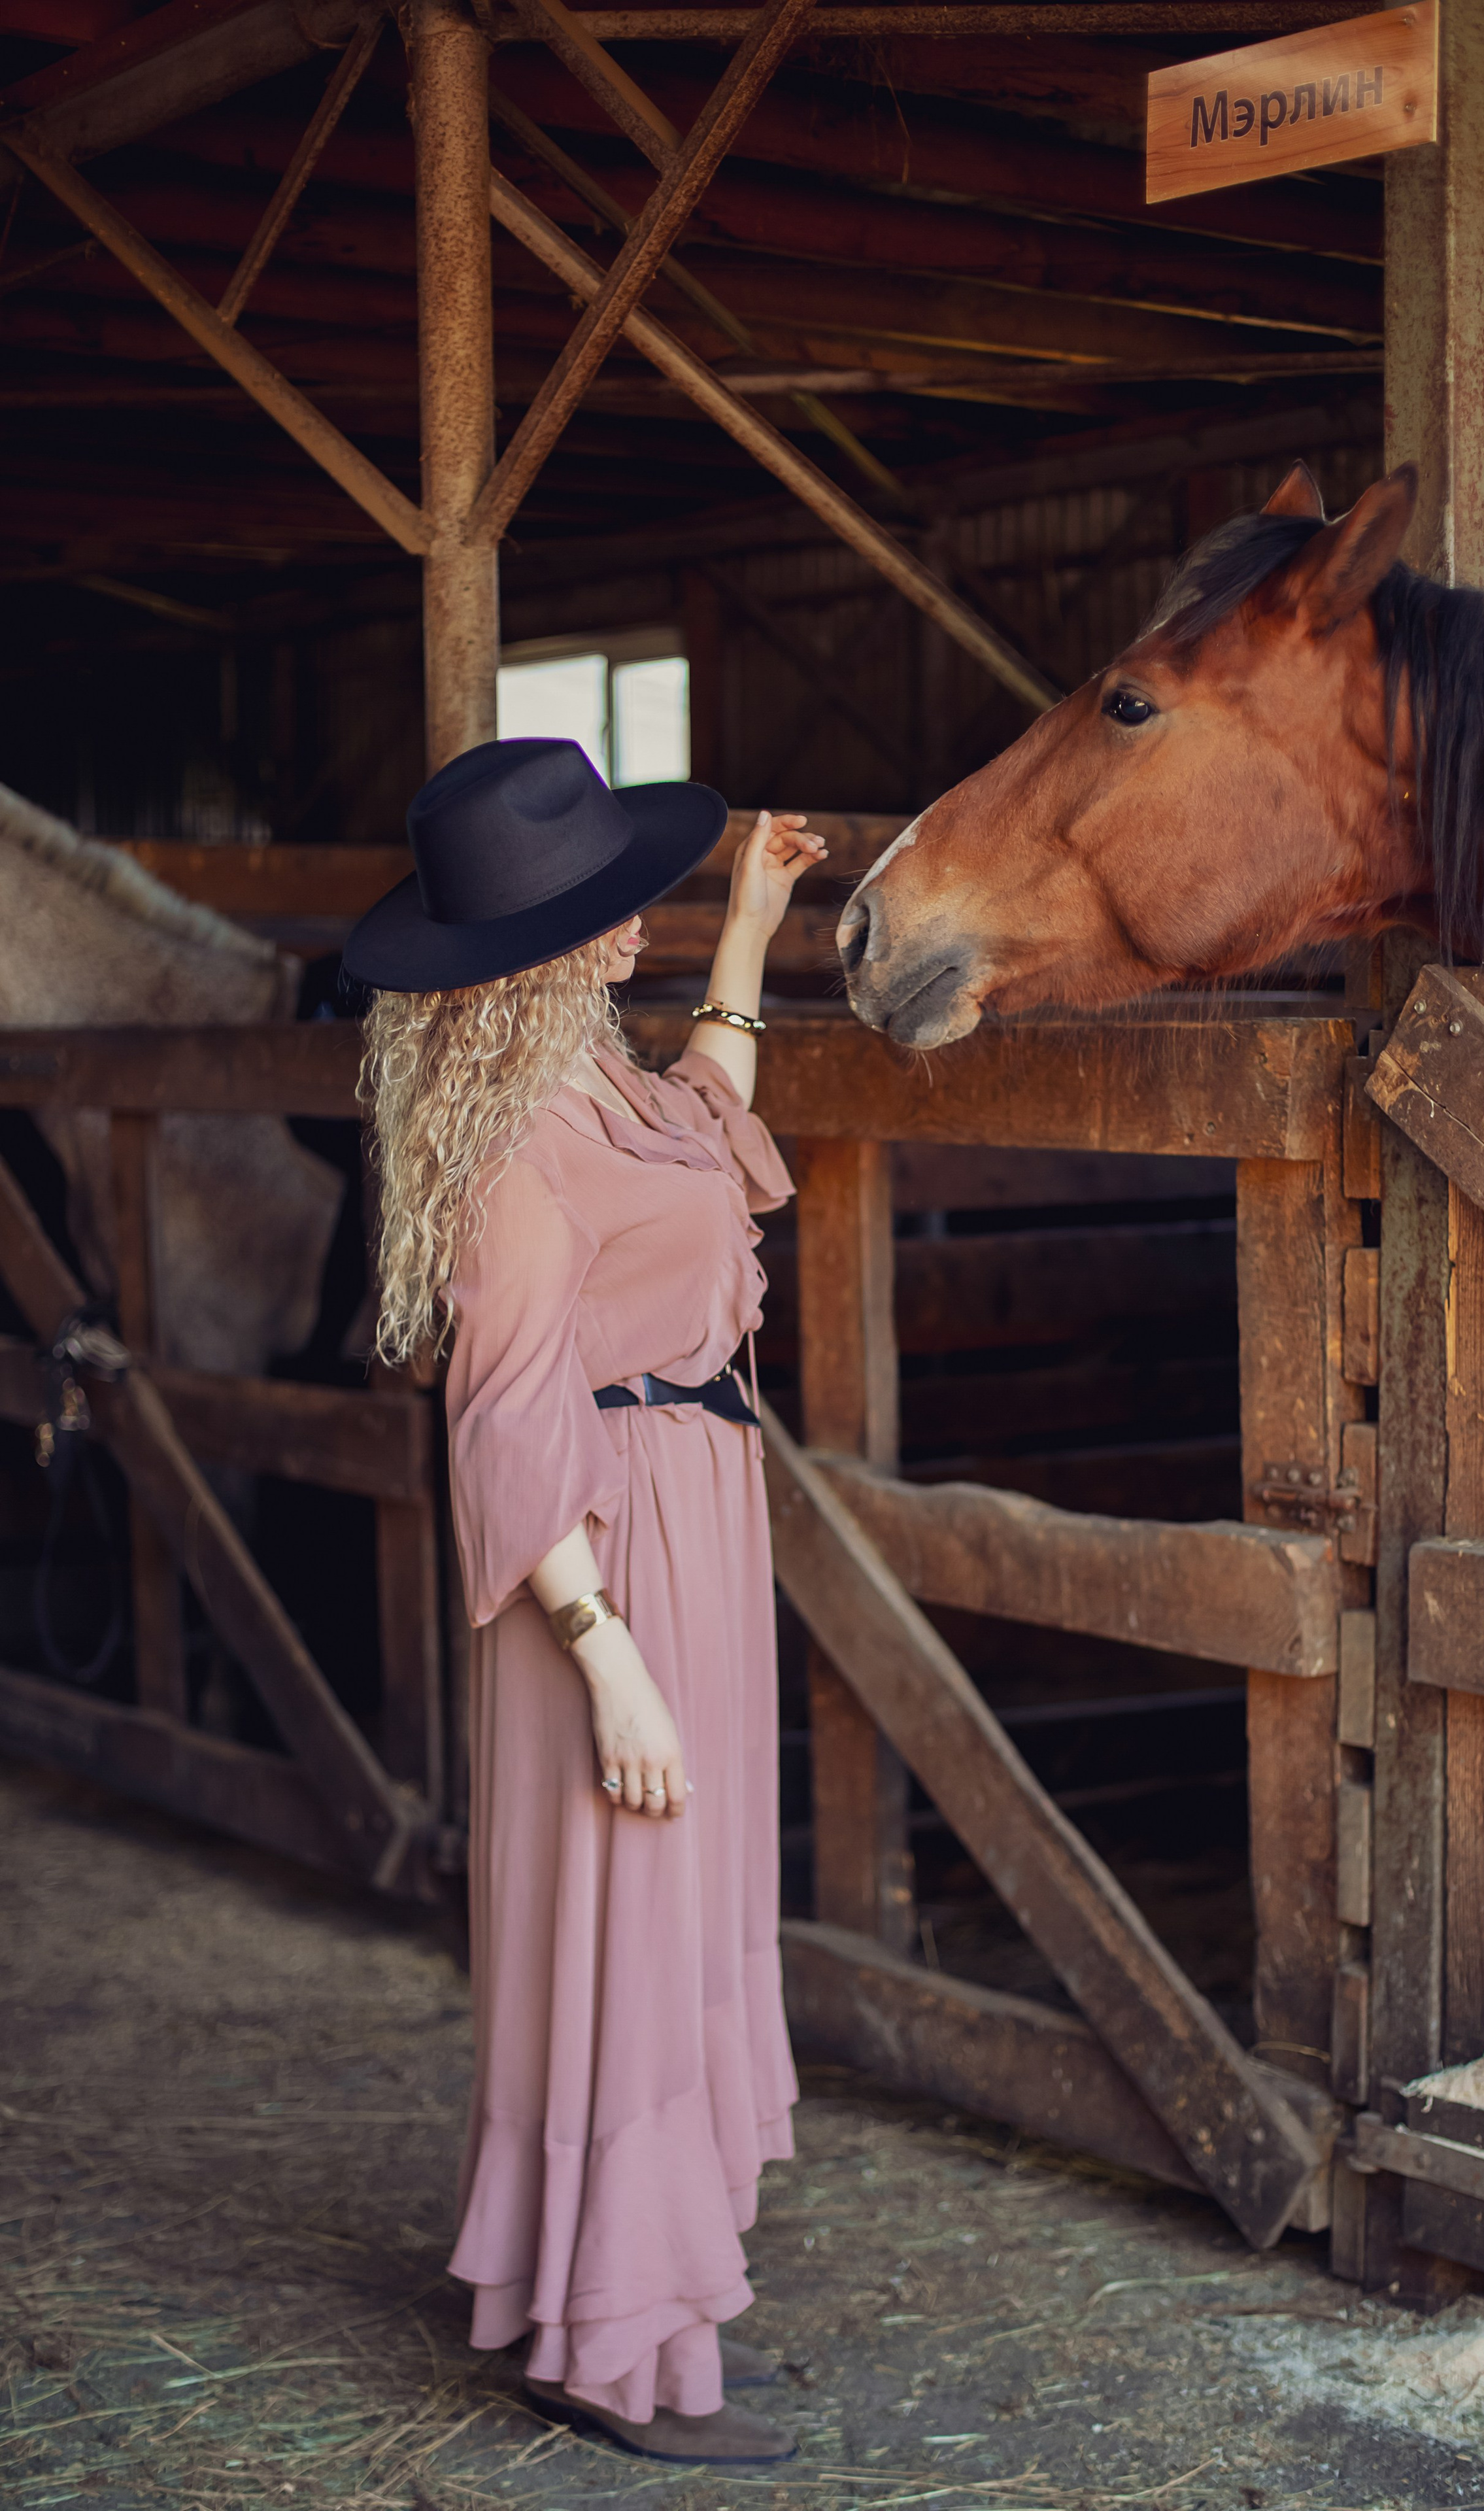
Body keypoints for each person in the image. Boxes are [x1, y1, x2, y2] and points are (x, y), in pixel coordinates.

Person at [343, 738, 828, 2466]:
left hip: (686, 1529)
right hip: (605, 1570)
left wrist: (753, 927)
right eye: (606, 913)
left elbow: (707, 1109)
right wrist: (607, 1659)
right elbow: (503, 1417)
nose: (636, 930)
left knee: (675, 1921)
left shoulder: (597, 1087)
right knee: (627, 1927)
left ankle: (616, 2305)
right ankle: (616, 2353)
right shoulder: (513, 1154)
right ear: (532, 954)